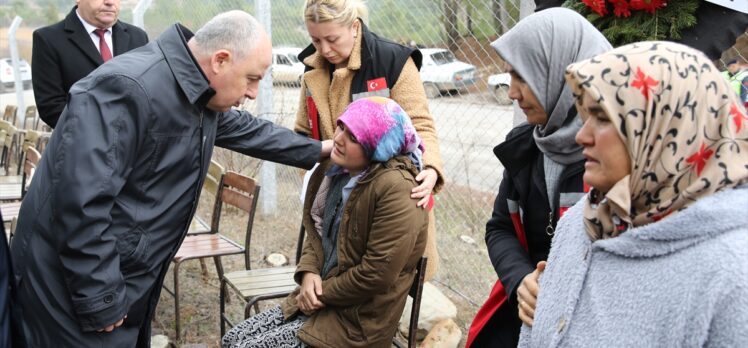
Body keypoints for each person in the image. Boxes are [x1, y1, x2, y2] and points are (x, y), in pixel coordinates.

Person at [11, 11, 332, 347]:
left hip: (122, 274)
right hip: (69, 292)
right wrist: (101, 299)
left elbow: (249, 131)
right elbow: (80, 204)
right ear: (220, 60)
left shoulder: (195, 91)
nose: (253, 92)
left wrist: (322, 149)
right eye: (251, 78)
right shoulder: (127, 88)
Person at [519, 41, 748, 347]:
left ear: (668, 131)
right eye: (586, 116)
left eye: (603, 118)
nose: (581, 136)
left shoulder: (733, 278)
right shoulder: (583, 222)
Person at [222, 97, 429, 348]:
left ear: (378, 147)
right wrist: (308, 273)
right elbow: (316, 230)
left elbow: (376, 274)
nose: (339, 139)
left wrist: (319, 293)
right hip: (320, 302)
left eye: (354, 138)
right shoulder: (338, 170)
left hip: (355, 323)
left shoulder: (397, 190)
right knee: (232, 339)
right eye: (341, 127)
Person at [466, 8, 612, 348]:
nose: (512, 93)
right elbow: (500, 227)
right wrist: (522, 281)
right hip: (524, 312)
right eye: (509, 78)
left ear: (564, 74)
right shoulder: (527, 147)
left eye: (523, 77)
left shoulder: (616, 160)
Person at [295, 0, 444, 280]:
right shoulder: (311, 69)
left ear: (354, 26)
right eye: (316, 40)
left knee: (377, 283)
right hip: (334, 200)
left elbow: (420, 124)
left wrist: (431, 168)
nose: (324, 50)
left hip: (384, 204)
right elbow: (304, 130)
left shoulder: (392, 61)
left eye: (332, 39)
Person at [32, 0, 149, 128]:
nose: (109, 2)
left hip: (134, 143)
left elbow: (148, 95)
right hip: (83, 143)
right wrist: (106, 134)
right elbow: (51, 107)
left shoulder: (138, 37)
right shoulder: (49, 39)